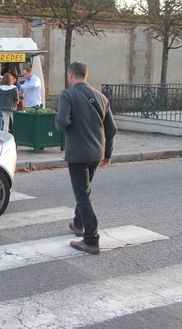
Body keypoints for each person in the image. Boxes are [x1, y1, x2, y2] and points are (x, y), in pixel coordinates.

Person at [55, 61, 117, 255]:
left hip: (78, 154)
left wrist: (58, 121)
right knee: (85, 190)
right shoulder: (101, 97)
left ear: (71, 74)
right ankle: (78, 224)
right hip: (97, 153)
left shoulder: (68, 94)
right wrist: (108, 153)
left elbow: (62, 121)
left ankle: (91, 239)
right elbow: (112, 129)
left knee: (83, 194)